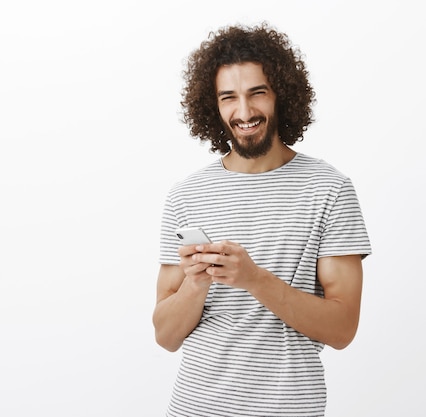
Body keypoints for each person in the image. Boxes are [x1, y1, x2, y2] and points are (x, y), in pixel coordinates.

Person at [152, 22, 371, 417]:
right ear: (212, 106)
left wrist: (253, 278)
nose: (244, 112)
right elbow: (165, 336)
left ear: (281, 96)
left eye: (257, 94)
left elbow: (342, 329)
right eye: (228, 98)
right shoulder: (185, 195)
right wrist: (196, 284)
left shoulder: (330, 190)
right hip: (194, 407)